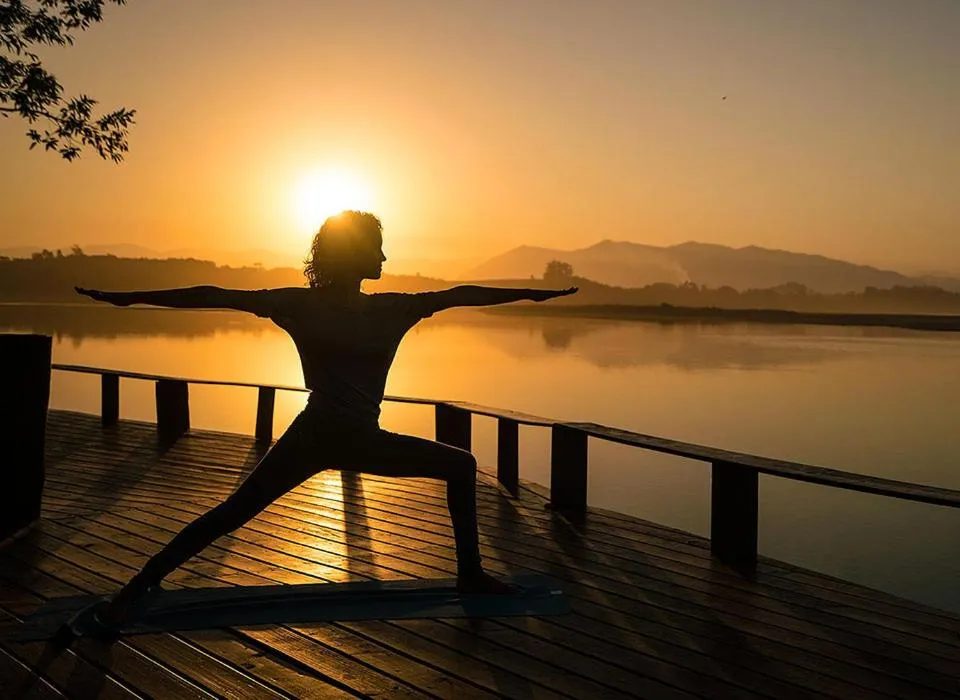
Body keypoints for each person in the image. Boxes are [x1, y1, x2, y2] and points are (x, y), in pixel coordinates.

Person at [74, 210, 577, 636]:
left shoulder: (382, 308)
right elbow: (213, 293)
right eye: (377, 249)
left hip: (351, 437)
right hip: (319, 436)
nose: (384, 260)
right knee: (232, 513)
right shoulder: (329, 305)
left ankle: (470, 574)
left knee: (460, 466)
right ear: (353, 253)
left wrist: (530, 296)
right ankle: (137, 586)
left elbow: (465, 293)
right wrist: (133, 297)